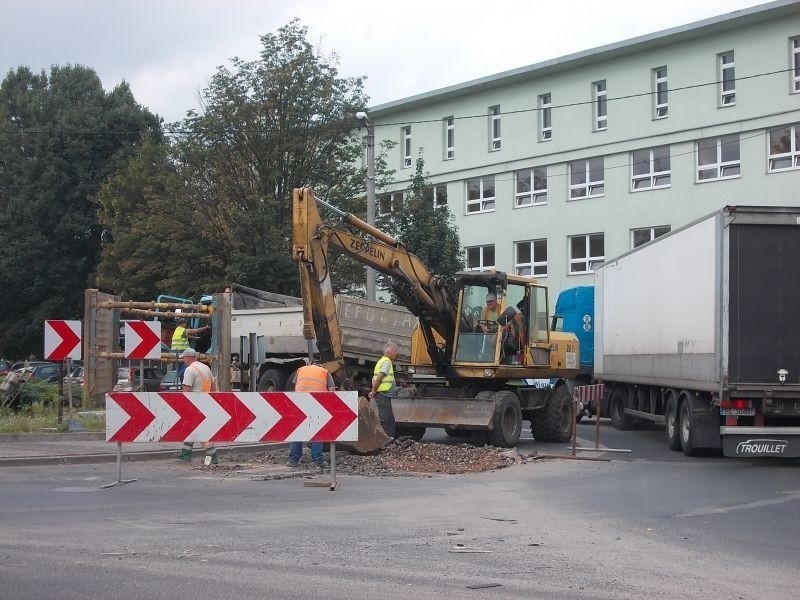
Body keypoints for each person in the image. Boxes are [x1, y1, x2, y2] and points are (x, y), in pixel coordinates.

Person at [286, 362, 336, 469]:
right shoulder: (325, 372)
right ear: (321, 366)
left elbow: (296, 386)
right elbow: (332, 391)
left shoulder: (301, 370)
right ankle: (317, 460)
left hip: (300, 401)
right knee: (317, 431)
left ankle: (293, 460)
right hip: (317, 402)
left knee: (298, 430)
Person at [177, 348, 219, 465]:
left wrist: (182, 405)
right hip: (206, 402)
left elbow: (186, 390)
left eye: (184, 358)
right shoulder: (205, 367)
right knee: (192, 428)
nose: (183, 361)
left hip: (195, 404)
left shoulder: (189, 370)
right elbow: (213, 386)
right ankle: (186, 453)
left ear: (188, 358)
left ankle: (212, 455)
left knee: (200, 431)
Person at [368, 341, 398, 438]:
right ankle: (383, 440)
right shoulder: (386, 362)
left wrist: (374, 390)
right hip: (383, 394)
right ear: (389, 352)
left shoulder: (382, 361)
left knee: (390, 419)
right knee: (385, 419)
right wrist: (374, 391)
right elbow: (379, 377)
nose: (396, 353)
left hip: (385, 395)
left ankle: (389, 440)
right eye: (395, 351)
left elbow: (374, 378)